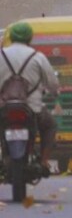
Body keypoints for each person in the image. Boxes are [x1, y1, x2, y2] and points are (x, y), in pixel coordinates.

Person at [0, 22, 60, 174]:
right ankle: (44, 161)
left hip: (3, 108)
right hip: (32, 109)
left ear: (11, 37)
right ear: (29, 38)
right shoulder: (37, 57)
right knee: (50, 125)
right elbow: (53, 83)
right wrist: (55, 92)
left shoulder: (1, 55)